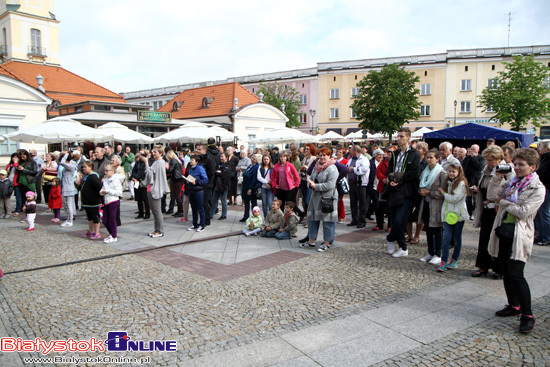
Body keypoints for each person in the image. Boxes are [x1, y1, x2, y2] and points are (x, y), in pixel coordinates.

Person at [489, 148, 545, 333]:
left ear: (533, 167)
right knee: (505, 269)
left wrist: (504, 202)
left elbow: (524, 211)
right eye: (516, 164)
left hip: (520, 234)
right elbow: (492, 196)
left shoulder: (537, 188)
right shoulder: (512, 181)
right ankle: (514, 305)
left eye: (522, 165)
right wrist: (498, 178)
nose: (517, 167)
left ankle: (528, 315)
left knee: (516, 273)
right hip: (504, 231)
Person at [472, 145, 514, 278]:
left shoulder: (506, 170)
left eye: (491, 160)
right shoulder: (486, 169)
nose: (488, 162)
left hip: (497, 208)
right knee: (484, 238)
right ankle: (483, 265)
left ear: (499, 159)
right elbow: (484, 186)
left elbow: (509, 188)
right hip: (486, 207)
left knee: (496, 238)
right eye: (487, 159)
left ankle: (499, 268)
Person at [385, 128, 420, 258]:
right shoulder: (394, 154)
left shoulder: (414, 154)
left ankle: (392, 240)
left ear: (408, 138)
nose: (399, 139)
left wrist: (399, 179)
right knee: (394, 220)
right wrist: (391, 180)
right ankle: (401, 246)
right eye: (398, 136)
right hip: (394, 191)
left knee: (400, 221)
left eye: (402, 136)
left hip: (407, 192)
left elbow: (414, 173)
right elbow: (390, 170)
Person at [304, 147, 338, 252]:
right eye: (320, 155)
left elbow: (330, 185)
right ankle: (311, 241)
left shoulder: (332, 168)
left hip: (327, 198)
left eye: (325, 155)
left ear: (329, 156)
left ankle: (326, 242)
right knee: (312, 218)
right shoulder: (316, 166)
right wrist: (309, 183)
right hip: (315, 197)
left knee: (327, 220)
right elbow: (311, 178)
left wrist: (316, 186)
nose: (322, 157)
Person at [437, 163, 469, 271]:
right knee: (446, 238)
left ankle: (454, 259)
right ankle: (443, 260)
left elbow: (454, 198)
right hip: (447, 214)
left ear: (459, 172)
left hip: (458, 215)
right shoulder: (448, 182)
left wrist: (443, 193)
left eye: (453, 171)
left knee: (456, 238)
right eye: (450, 171)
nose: (451, 173)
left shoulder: (461, 183)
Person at [417, 149, 446, 265]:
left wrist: (430, 193)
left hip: (436, 205)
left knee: (437, 230)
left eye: (431, 158)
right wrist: (422, 191)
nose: (428, 160)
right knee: (428, 229)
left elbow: (444, 192)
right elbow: (421, 185)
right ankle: (430, 252)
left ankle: (438, 254)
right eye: (427, 157)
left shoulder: (442, 173)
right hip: (426, 203)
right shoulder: (425, 171)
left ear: (437, 159)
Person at [145, 146, 170, 238]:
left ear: (160, 153)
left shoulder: (160, 163)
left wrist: (146, 162)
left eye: (155, 152)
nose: (153, 153)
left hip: (155, 189)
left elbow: (150, 174)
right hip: (151, 188)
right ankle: (157, 229)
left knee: (157, 211)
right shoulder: (156, 162)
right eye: (153, 152)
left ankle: (160, 230)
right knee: (155, 211)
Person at [271, 152, 304, 220]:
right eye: (281, 157)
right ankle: (281, 218)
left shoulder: (290, 165)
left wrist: (296, 185)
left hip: (289, 188)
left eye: (284, 157)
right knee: (281, 204)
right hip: (280, 188)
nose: (283, 158)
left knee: (291, 203)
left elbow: (296, 175)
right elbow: (272, 177)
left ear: (286, 157)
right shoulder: (276, 166)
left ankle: (300, 214)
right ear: (279, 158)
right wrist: (274, 185)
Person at [407, 142, 428, 244]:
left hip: (421, 191)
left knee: (420, 214)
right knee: (407, 213)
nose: (417, 150)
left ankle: (417, 235)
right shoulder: (411, 159)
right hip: (411, 189)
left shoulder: (426, 162)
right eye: (416, 148)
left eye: (419, 148)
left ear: (424, 151)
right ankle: (409, 234)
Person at [346, 145, 370, 228]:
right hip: (352, 184)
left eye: (351, 150)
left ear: (355, 151)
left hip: (360, 184)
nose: (350, 152)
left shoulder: (364, 159)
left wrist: (354, 169)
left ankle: (362, 220)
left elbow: (364, 170)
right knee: (353, 203)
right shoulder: (351, 159)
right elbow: (347, 167)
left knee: (362, 203)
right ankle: (354, 219)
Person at [100, 164, 123, 243]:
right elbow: (103, 189)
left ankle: (114, 235)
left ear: (112, 172)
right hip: (106, 201)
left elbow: (119, 192)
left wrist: (108, 190)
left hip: (113, 201)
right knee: (105, 220)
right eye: (105, 170)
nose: (105, 172)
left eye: (107, 171)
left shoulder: (116, 180)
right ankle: (111, 233)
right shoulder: (106, 179)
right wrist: (102, 192)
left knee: (112, 219)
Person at [80, 161, 103, 240]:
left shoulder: (93, 177)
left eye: (85, 166)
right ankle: (91, 230)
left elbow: (98, 187)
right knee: (89, 217)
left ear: (90, 167)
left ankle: (97, 232)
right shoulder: (87, 176)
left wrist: (97, 197)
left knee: (95, 217)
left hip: (93, 201)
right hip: (87, 201)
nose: (83, 168)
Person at [186, 154, 208, 232]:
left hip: (198, 190)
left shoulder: (200, 168)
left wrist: (197, 182)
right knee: (193, 208)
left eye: (192, 160)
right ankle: (195, 223)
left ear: (196, 161)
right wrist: (188, 181)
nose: (190, 161)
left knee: (200, 208)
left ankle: (202, 224)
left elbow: (205, 180)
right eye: (190, 159)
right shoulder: (191, 169)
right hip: (191, 190)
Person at [463, 144, 485, 220]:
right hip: (468, 180)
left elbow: (479, 167)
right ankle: (469, 213)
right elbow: (464, 167)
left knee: (475, 199)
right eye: (471, 149)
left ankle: (474, 213)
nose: (472, 151)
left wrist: (474, 157)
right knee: (468, 198)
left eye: (474, 150)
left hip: (476, 180)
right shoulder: (467, 158)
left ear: (478, 150)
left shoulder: (481, 158)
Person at [534, 140, 550, 246]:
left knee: (544, 213)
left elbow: (543, 172)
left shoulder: (548, 159)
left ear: (546, 148)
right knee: (539, 213)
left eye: (540, 146)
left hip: (547, 188)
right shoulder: (543, 158)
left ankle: (547, 237)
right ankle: (540, 235)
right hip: (541, 187)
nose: (539, 148)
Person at [58, 151, 77, 227]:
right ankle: (68, 218)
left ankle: (70, 220)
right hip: (65, 186)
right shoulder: (67, 166)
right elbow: (59, 162)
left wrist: (65, 155)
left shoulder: (72, 166)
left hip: (69, 187)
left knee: (69, 204)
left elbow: (62, 162)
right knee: (66, 204)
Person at [240, 154, 261, 222]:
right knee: (246, 202)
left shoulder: (256, 167)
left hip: (251, 186)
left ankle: (255, 217)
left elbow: (254, 179)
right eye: (252, 158)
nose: (252, 159)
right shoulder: (250, 166)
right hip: (245, 185)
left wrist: (251, 188)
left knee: (253, 203)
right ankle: (246, 216)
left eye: (254, 159)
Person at [131, 150, 150, 220]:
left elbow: (144, 172)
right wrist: (134, 177)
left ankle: (147, 213)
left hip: (143, 182)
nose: (140, 156)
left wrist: (137, 177)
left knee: (145, 198)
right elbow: (133, 170)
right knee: (138, 198)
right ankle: (140, 213)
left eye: (142, 154)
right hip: (137, 182)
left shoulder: (146, 163)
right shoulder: (137, 163)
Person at [211, 152, 230, 220]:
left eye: (222, 156)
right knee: (214, 200)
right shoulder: (218, 164)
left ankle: (224, 214)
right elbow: (215, 172)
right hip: (217, 184)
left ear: (226, 157)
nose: (221, 158)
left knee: (223, 200)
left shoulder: (228, 165)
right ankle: (211, 214)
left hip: (224, 185)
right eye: (220, 156)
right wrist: (219, 172)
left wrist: (220, 172)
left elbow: (225, 174)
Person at [299, 144, 317, 219]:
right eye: (305, 149)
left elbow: (314, 169)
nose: (306, 150)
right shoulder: (305, 158)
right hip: (303, 180)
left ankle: (310, 217)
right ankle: (306, 215)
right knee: (303, 199)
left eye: (307, 149)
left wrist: (307, 167)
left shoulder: (314, 158)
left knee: (308, 200)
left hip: (309, 180)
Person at [166, 150, 185, 217]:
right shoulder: (177, 160)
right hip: (178, 179)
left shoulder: (173, 160)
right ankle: (179, 210)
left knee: (177, 196)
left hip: (177, 179)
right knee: (176, 195)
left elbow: (170, 170)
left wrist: (166, 167)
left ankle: (181, 211)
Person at [335, 147, 349, 223]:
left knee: (340, 200)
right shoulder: (334, 161)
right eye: (337, 152)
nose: (338, 153)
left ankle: (342, 216)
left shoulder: (345, 161)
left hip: (341, 182)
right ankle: (336, 215)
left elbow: (346, 172)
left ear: (343, 154)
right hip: (334, 182)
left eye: (340, 152)